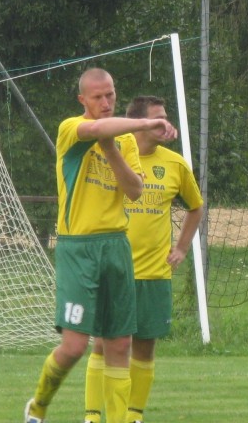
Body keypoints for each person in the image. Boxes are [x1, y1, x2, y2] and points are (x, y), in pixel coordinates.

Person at [24, 69, 177, 423]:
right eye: (98, 97)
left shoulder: (122, 140)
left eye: (110, 94)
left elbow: (135, 190)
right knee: (75, 346)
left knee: (120, 344)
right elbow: (94, 131)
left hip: (116, 247)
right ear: (83, 101)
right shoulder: (70, 128)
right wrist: (140, 126)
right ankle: (39, 406)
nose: (106, 102)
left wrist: (113, 148)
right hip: (78, 248)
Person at [83, 95, 204, 423]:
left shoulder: (175, 164)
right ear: (139, 123)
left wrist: (181, 247)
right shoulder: (111, 150)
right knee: (103, 345)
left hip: (154, 273)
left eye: (166, 118)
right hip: (113, 270)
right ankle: (93, 416)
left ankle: (134, 416)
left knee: (145, 347)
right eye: (158, 118)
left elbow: (196, 207)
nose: (165, 124)